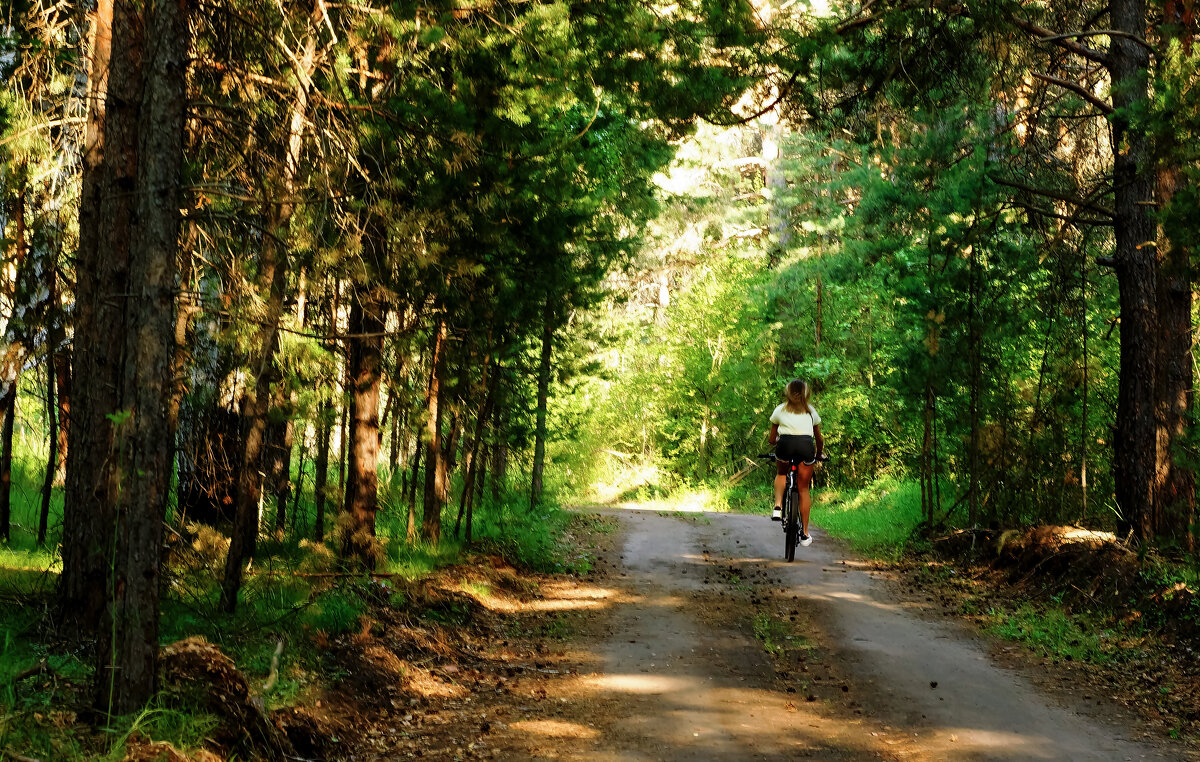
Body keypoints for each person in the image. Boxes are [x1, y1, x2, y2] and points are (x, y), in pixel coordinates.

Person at [768, 379, 824, 546]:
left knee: (781, 473)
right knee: (803, 488)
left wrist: (777, 440)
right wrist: (819, 454)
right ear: (806, 393)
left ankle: (778, 507)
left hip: (785, 445)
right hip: (806, 447)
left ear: (788, 392)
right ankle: (805, 533)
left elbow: (772, 439)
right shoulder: (811, 411)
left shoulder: (780, 410)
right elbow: (819, 439)